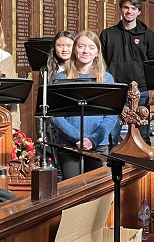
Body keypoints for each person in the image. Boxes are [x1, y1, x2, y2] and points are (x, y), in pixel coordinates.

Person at [49, 31, 120, 181]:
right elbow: (55, 115)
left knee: (96, 192)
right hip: (69, 144)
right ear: (75, 49)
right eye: (81, 46)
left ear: (97, 52)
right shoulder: (61, 77)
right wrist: (78, 137)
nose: (85, 51)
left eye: (91, 47)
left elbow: (111, 114)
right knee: (72, 191)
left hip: (98, 144)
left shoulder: (106, 78)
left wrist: (93, 139)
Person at [100, 0, 154, 142]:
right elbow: (101, 62)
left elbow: (153, 63)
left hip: (142, 89)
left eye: (134, 8)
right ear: (121, 9)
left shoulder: (148, 35)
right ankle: (113, 165)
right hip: (115, 88)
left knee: (143, 134)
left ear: (139, 11)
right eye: (126, 7)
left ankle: (143, 165)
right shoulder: (108, 34)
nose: (129, 11)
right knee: (112, 134)